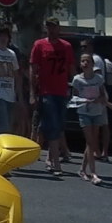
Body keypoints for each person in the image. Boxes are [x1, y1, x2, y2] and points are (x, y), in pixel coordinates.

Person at [29, 17, 76, 175]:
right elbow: (33, 69)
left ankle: (50, 159)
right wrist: (32, 93)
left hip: (62, 91)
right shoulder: (39, 45)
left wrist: (78, 88)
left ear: (58, 28)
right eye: (48, 27)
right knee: (53, 124)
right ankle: (56, 163)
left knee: (59, 125)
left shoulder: (66, 46)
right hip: (46, 91)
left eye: (54, 27)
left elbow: (71, 69)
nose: (51, 30)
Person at [70, 53, 107, 184]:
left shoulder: (98, 79)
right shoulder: (77, 80)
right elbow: (74, 96)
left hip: (96, 112)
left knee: (92, 142)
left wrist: (98, 100)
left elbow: (103, 95)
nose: (85, 63)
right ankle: (94, 174)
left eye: (87, 61)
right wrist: (82, 100)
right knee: (90, 142)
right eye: (82, 61)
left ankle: (82, 169)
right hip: (84, 112)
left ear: (92, 64)